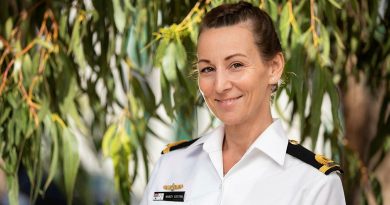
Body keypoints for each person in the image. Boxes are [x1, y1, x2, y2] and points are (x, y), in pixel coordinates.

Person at [140, 1, 345, 204]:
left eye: (236, 65)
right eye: (208, 69)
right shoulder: (171, 165)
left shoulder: (315, 184)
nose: (220, 85)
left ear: (274, 67)